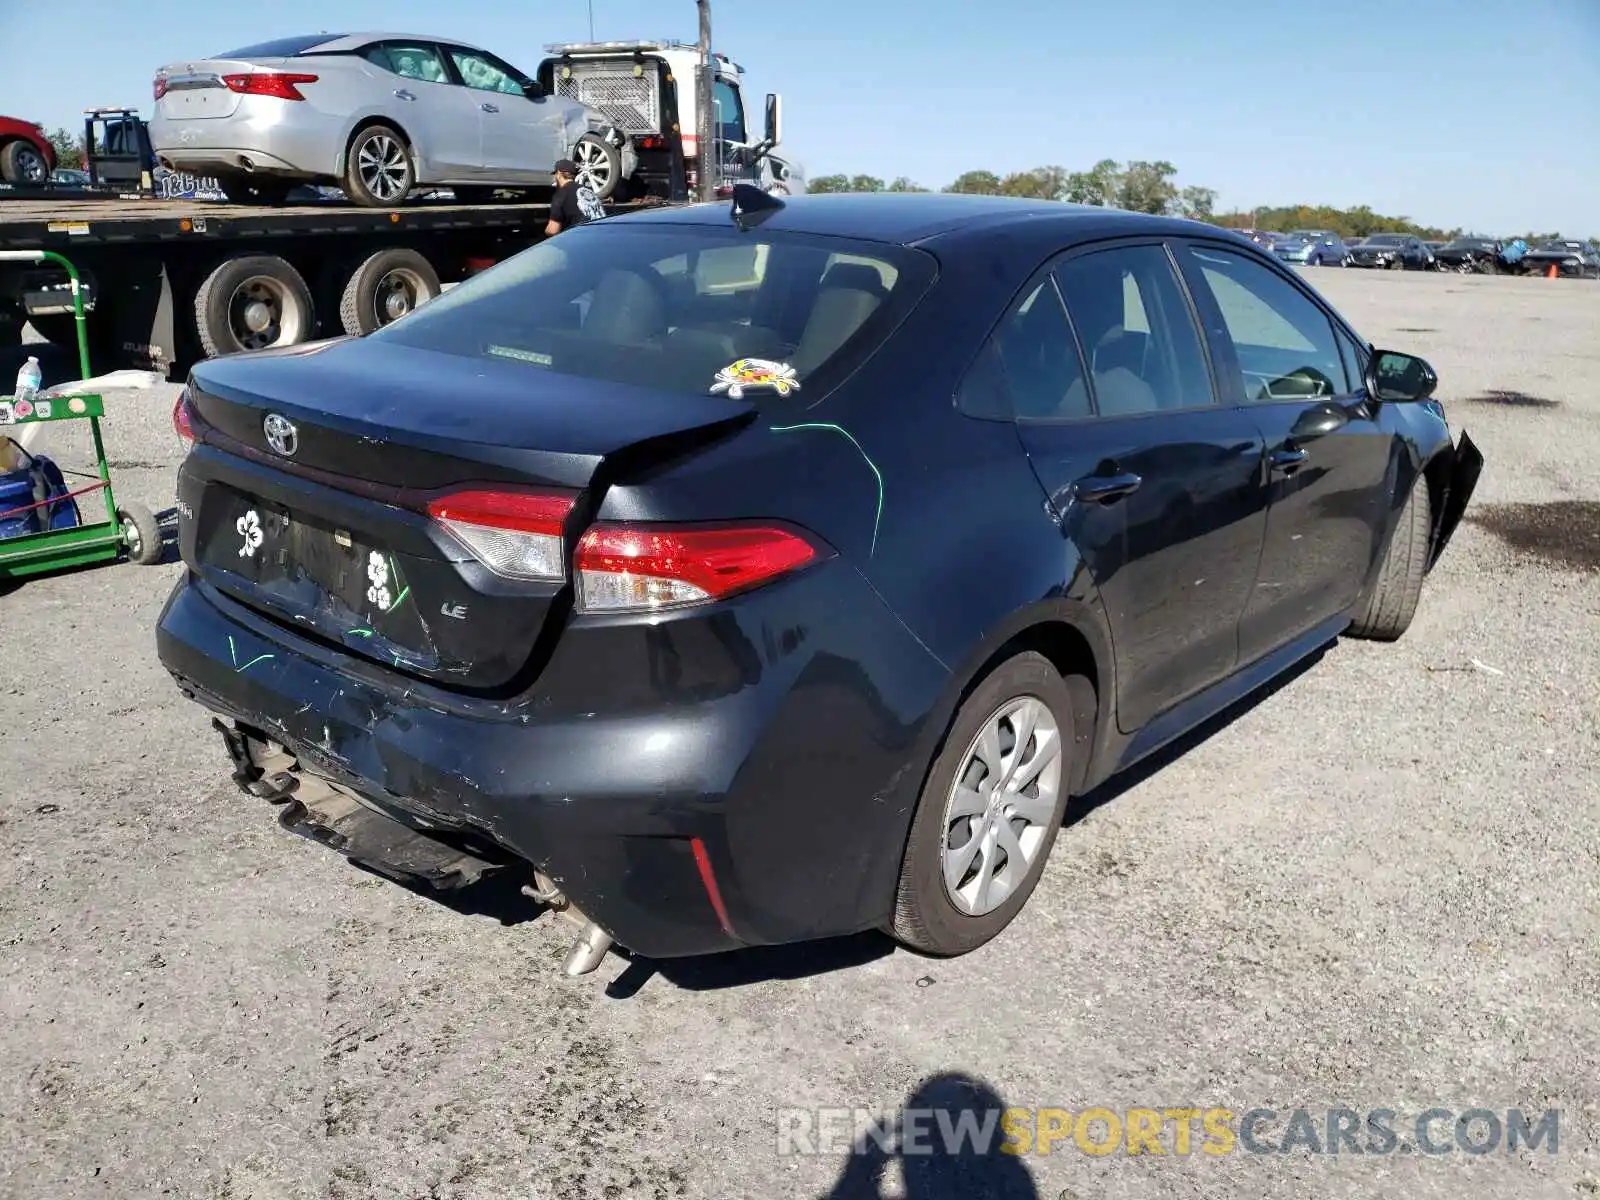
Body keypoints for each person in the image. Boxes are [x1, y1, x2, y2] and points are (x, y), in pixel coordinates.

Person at [546, 159, 606, 236]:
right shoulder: (589, 191)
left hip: (582, 240)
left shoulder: (561, 195)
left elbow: (553, 231)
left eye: (555, 174)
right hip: (600, 235)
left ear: (559, 174)